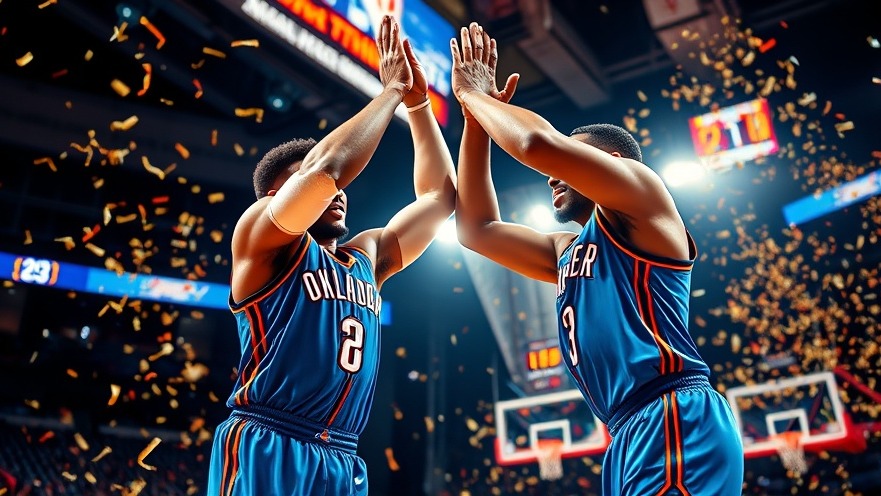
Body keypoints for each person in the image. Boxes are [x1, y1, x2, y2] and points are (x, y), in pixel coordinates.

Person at [450, 22, 744, 495]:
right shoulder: (567, 249)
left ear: (609, 161)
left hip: (672, 410)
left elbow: (536, 146)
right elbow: (475, 231)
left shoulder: (641, 192)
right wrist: (473, 120)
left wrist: (475, 95)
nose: (552, 177)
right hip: (626, 429)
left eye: (573, 159)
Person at [206, 15, 456, 496]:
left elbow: (439, 200)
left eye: (342, 191)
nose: (339, 195)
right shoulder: (263, 237)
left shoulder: (367, 256)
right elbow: (326, 173)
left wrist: (418, 104)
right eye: (319, 186)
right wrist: (388, 93)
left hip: (342, 454)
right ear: (279, 195)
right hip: (269, 437)